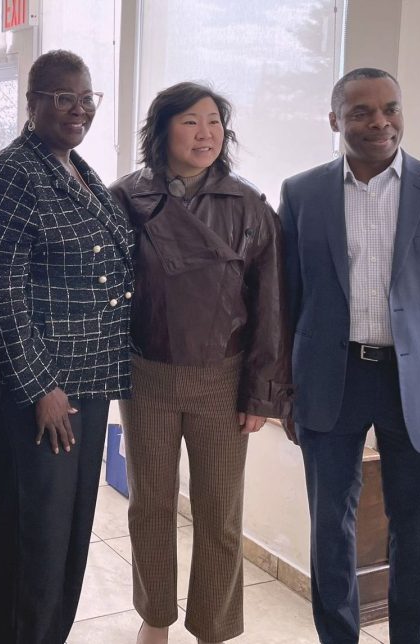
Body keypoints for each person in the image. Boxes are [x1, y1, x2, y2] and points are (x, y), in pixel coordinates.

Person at [280, 67, 420, 644]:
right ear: (334, 119)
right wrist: (286, 389)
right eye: (361, 111)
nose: (379, 121)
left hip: (418, 386)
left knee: (416, 533)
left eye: (390, 107)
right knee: (330, 534)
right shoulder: (302, 192)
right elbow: (289, 300)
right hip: (329, 379)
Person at [109, 82, 292, 644]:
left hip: (223, 377)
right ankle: (154, 619)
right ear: (161, 130)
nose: (205, 134)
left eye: (214, 122)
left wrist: (261, 392)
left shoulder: (249, 205)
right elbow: (104, 290)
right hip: (147, 375)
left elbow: (270, 304)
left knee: (219, 513)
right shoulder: (125, 198)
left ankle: (214, 627)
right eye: (191, 122)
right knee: (150, 507)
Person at [0, 50, 136, 644]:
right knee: (33, 541)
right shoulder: (9, 176)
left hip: (87, 388)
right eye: (63, 97)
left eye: (86, 97)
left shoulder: (77, 169)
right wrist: (41, 387)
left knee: (67, 536)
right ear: (32, 101)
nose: (79, 108)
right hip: (38, 396)